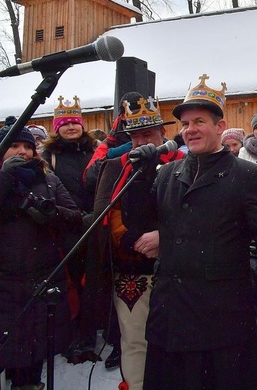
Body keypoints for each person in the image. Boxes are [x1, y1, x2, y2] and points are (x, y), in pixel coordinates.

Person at [131, 74, 257, 390]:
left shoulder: (245, 176)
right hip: (171, 316)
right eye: (185, 123)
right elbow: (140, 222)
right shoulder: (167, 175)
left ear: (219, 126)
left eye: (199, 121)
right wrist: (141, 174)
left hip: (221, 319)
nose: (190, 129)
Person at [88, 93, 183, 390]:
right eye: (136, 136)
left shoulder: (184, 163)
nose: (142, 142)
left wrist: (165, 239)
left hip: (179, 269)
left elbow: (198, 212)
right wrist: (130, 239)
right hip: (132, 270)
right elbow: (106, 212)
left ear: (162, 134)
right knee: (135, 341)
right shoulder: (116, 165)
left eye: (148, 134)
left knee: (177, 341)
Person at [0, 117, 83, 390]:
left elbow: (76, 218)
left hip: (41, 279)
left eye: (27, 146)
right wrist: (5, 180)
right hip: (4, 283)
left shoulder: (47, 178)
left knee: (33, 355)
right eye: (14, 145)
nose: (22, 152)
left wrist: (50, 213)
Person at [40, 96, 101, 365]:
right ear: (58, 128)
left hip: (96, 224)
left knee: (94, 281)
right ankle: (72, 334)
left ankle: (90, 333)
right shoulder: (49, 157)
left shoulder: (95, 151)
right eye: (65, 124)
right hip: (66, 227)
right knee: (71, 283)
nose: (71, 128)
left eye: (75, 123)